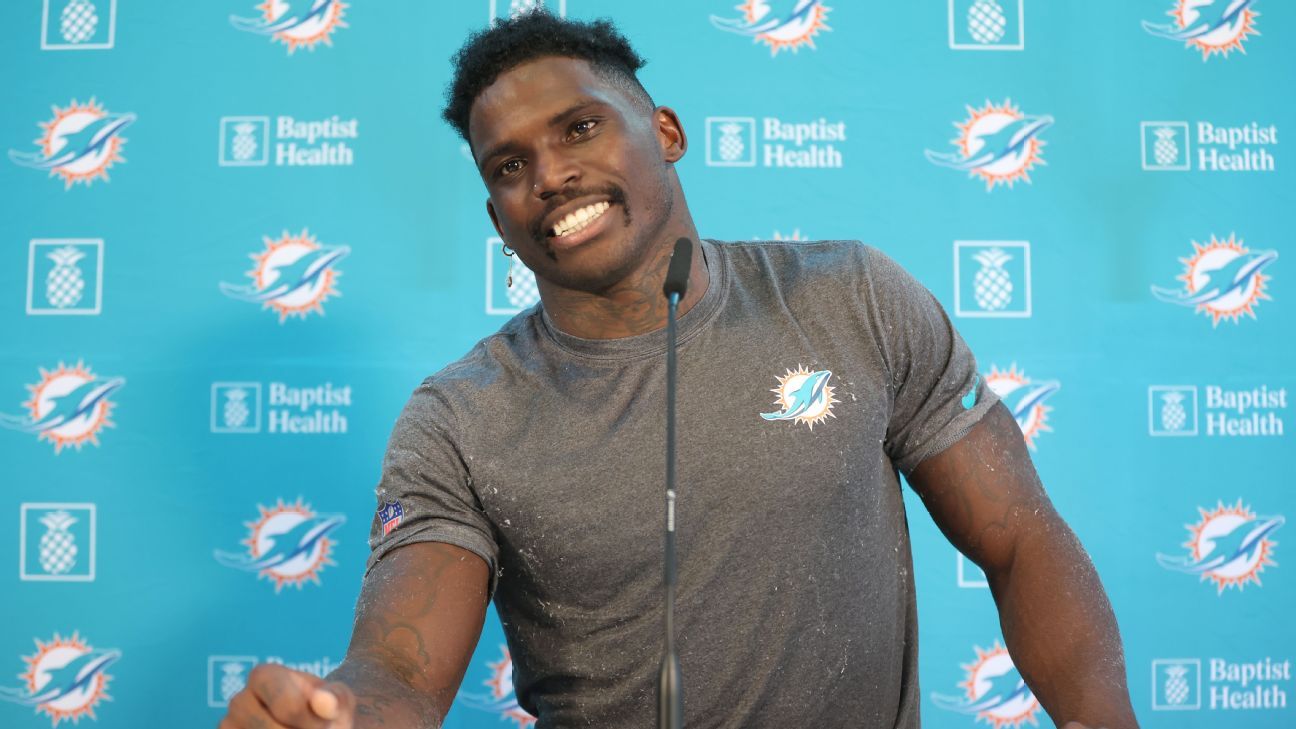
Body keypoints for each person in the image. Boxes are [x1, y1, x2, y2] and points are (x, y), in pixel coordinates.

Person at [220, 11, 1138, 729]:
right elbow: (400, 672)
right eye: (510, 166)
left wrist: (1099, 717)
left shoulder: (851, 297)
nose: (550, 175)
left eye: (581, 127)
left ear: (664, 131)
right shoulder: (459, 419)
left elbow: (1021, 539)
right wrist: (338, 711)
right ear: (498, 220)